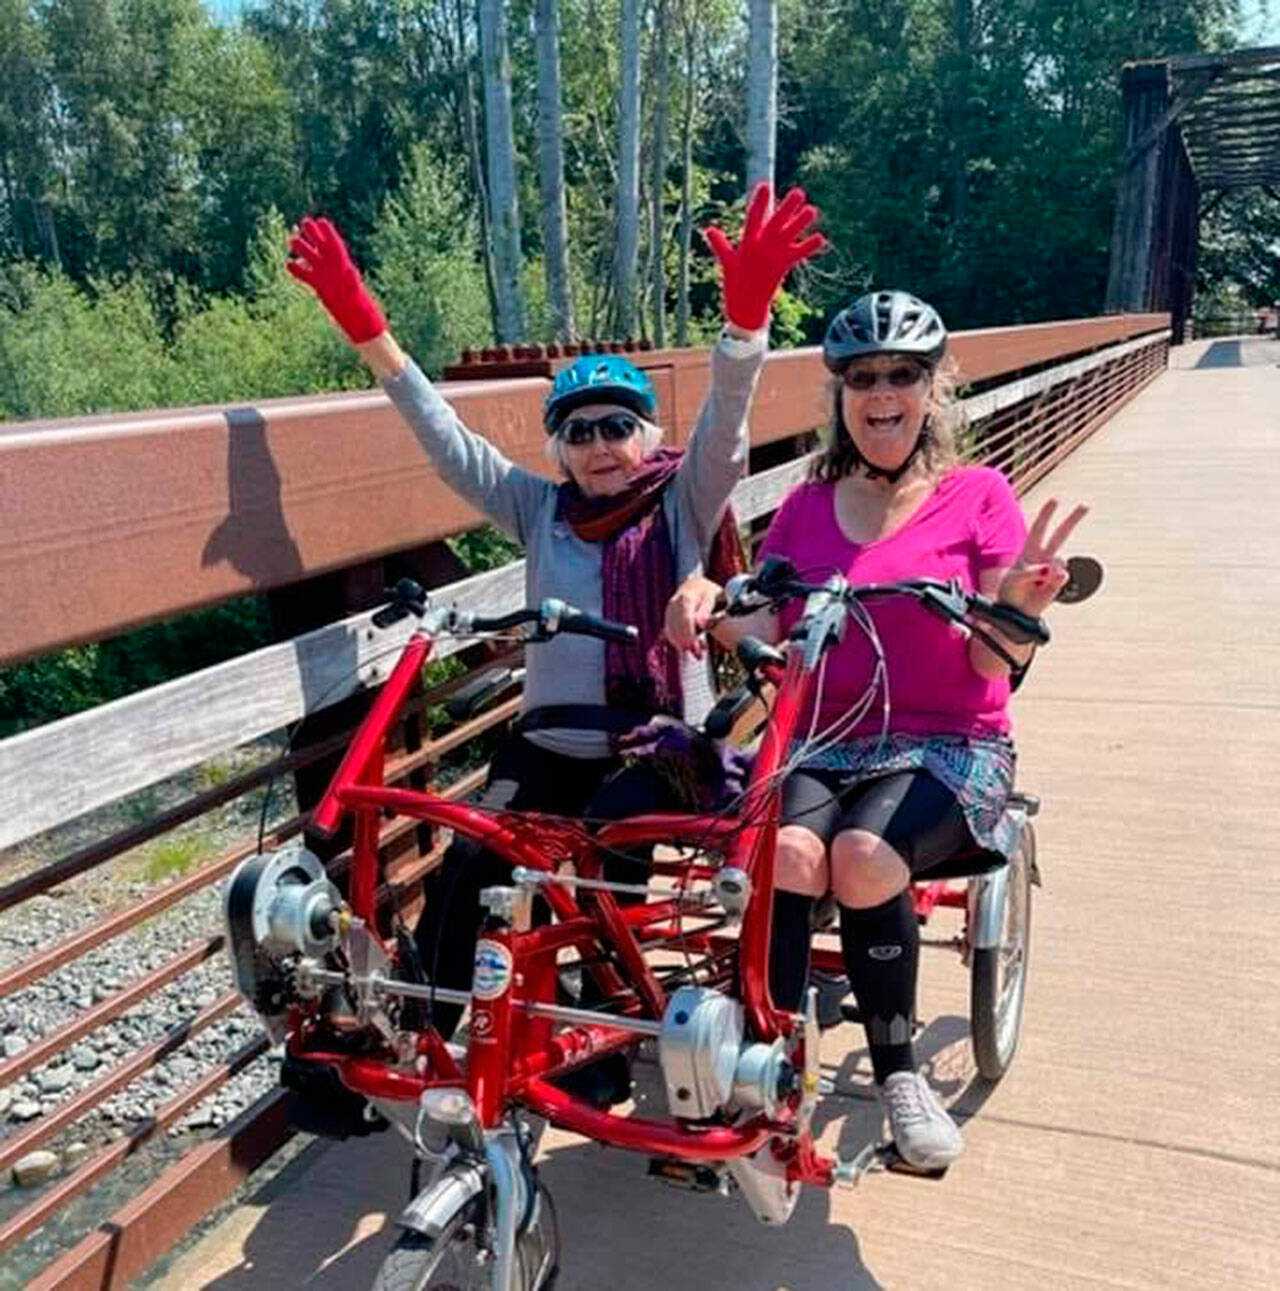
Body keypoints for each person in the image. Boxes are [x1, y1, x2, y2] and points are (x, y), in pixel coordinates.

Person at [286, 185, 824, 1104]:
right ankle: (429, 1038)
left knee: (607, 866)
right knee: (469, 862)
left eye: (618, 425)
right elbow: (449, 445)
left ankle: (605, 1033)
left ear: (647, 433)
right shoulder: (540, 510)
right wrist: (370, 335)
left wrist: (745, 321)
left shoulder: (681, 498)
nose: (601, 446)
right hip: (546, 738)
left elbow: (727, 429)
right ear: (559, 449)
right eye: (578, 433)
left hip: (652, 741)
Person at [665, 289, 1086, 1167]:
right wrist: (711, 608)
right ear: (841, 395)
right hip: (828, 736)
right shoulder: (807, 507)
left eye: (902, 374)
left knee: (860, 856)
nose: (882, 392)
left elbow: (988, 668)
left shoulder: (978, 497)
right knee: (785, 854)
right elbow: (769, 629)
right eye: (863, 377)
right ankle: (767, 1051)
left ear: (932, 390)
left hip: (949, 741)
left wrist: (1012, 610)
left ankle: (897, 1073)